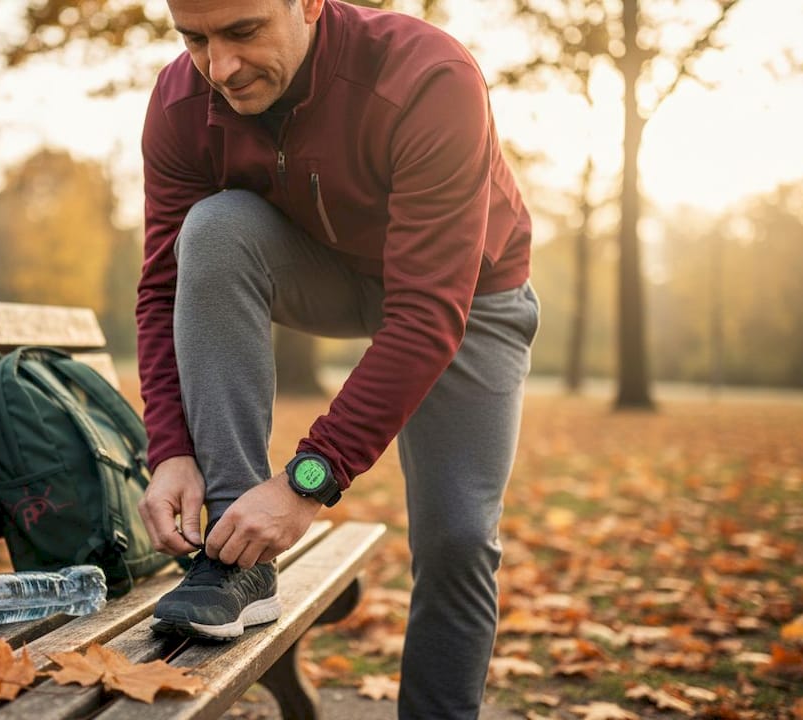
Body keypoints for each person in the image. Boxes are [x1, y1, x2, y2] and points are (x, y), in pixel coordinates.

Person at [135, 0, 537, 716]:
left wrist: (304, 484)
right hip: (321, 269)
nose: (219, 68)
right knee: (216, 229)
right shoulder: (178, 104)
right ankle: (236, 570)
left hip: (468, 291)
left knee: (460, 539)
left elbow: (425, 313)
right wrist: (170, 449)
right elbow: (164, 284)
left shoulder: (428, 75)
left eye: (243, 32)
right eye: (194, 38)